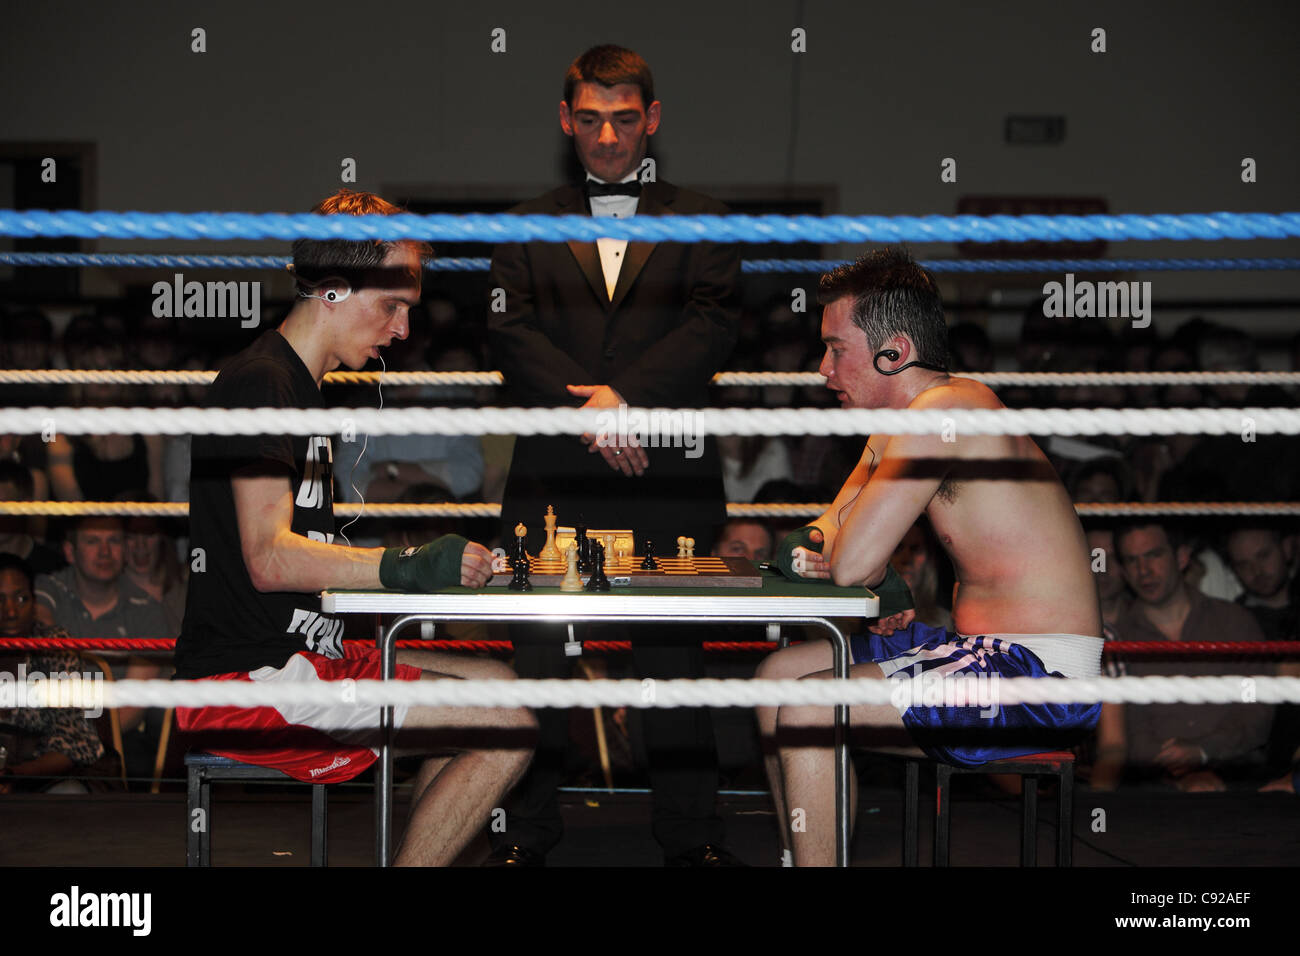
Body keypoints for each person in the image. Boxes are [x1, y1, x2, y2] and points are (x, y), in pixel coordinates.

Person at [172, 189, 534, 867]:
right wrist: (409, 564)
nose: (401, 330)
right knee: (508, 727)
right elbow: (268, 559)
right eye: (391, 305)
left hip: (307, 655)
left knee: (506, 687)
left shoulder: (301, 391)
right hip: (248, 680)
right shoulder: (262, 385)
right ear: (333, 290)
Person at [755, 249, 1103, 866]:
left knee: (811, 704)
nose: (822, 369)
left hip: (1040, 676)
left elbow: (851, 563)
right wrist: (842, 550)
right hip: (974, 654)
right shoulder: (899, 425)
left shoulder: (947, 411)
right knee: (775, 680)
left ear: (893, 351)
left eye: (837, 349)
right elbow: (812, 539)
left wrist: (855, 557)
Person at [485, 45, 743, 866]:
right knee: (541, 669)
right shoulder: (524, 223)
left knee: (673, 670)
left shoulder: (704, 216)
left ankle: (691, 839)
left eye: (623, 119)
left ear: (652, 119)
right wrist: (595, 414)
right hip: (554, 477)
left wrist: (621, 401)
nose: (607, 137)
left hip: (666, 475)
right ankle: (524, 835)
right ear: (566, 121)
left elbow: (714, 327)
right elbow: (508, 333)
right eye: (590, 119)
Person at [1108, 521, 1272, 790]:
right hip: (1154, 791)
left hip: (1239, 779)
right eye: (1132, 560)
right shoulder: (1120, 640)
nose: (1144, 571)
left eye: (1153, 555)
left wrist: (1205, 750)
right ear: (1124, 571)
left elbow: (1255, 707)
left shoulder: (1234, 622)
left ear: (1182, 557)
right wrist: (1179, 774)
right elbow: (1126, 732)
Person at [33, 513, 170, 783]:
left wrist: (78, 744)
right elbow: (38, 628)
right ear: (70, 551)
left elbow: (134, 705)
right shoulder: (47, 589)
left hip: (115, 738)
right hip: (44, 730)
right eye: (93, 541)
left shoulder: (149, 611)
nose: (105, 552)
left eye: (115, 541)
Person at [0, 555, 117, 794]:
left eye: (21, 598)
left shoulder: (55, 647)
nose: (10, 611)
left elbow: (72, 742)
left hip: (46, 776)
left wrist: (14, 775)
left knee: (68, 793)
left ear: (34, 602)